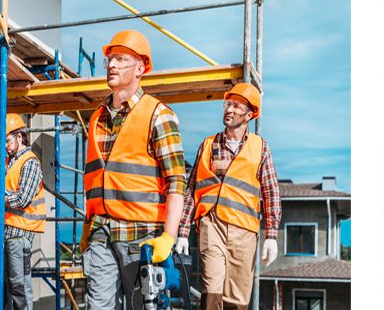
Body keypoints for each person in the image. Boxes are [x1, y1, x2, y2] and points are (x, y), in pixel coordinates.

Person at [81, 30, 188, 309]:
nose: (112, 65)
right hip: (102, 233)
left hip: (141, 236)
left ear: (141, 68)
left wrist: (169, 236)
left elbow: (177, 180)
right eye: (110, 59)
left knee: (144, 305)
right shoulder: (96, 119)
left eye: (121, 59)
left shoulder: (158, 115)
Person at [184, 83, 281, 310]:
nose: (229, 109)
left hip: (244, 232)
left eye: (237, 106)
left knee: (237, 301)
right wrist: (182, 232)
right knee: (212, 292)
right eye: (228, 104)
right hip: (212, 225)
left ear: (249, 114)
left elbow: (271, 191)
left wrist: (272, 236)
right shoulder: (208, 145)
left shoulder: (260, 148)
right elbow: (191, 190)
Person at [0, 113, 46, 310]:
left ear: (19, 137)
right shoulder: (10, 163)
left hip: (19, 234)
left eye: (7, 140)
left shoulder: (30, 162)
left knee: (18, 289)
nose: (5, 146)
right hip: (4, 233)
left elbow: (22, 199)